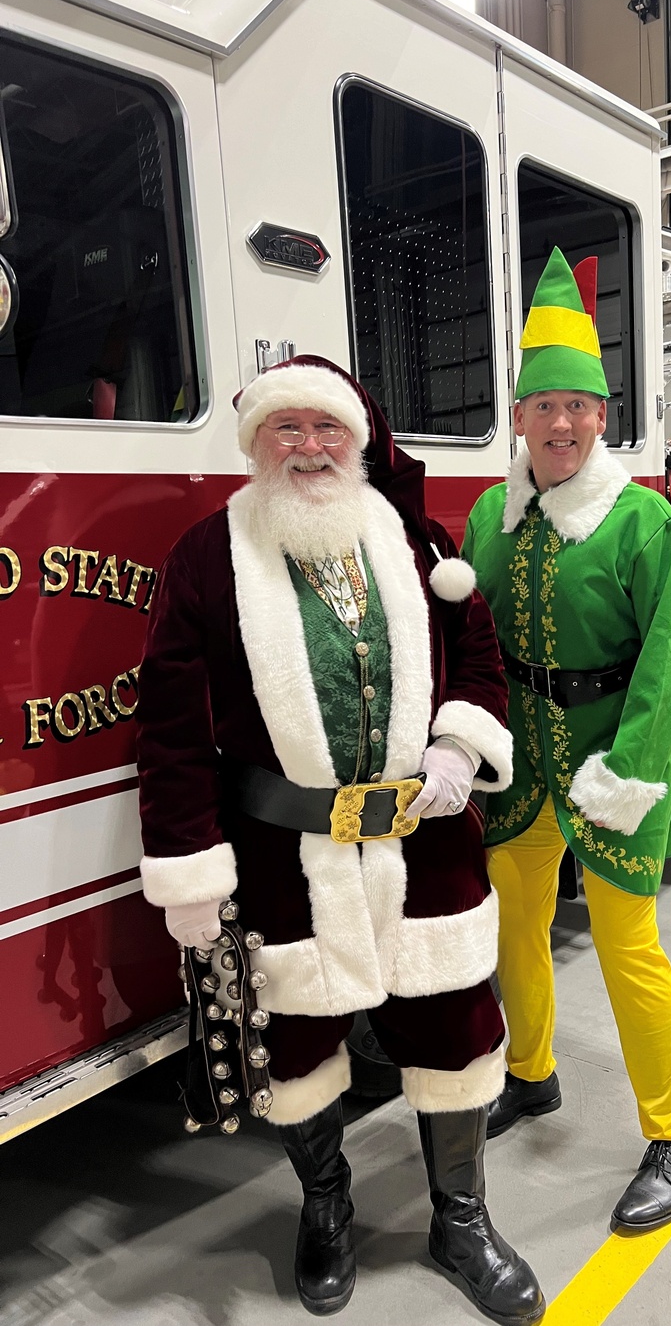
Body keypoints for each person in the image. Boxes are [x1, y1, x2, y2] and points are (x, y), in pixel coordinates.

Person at [135, 355, 545, 1324]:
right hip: (282, 853)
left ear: (358, 443)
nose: (310, 449)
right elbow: (170, 726)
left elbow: (480, 657)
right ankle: (326, 1206)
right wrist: (189, 869)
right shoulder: (207, 555)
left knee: (454, 1029)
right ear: (256, 445)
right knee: (296, 1046)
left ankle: (461, 1216)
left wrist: (457, 747)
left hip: (424, 843)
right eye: (289, 430)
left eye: (329, 431)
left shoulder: (414, 540)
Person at [463, 247, 671, 1232]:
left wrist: (633, 769)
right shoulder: (491, 513)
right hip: (521, 766)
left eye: (579, 407)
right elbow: (467, 625)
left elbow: (670, 651)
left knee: (624, 946)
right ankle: (530, 1073)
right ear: (516, 418)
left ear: (602, 418)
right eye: (543, 406)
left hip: (613, 765)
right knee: (512, 930)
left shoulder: (645, 522)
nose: (561, 424)